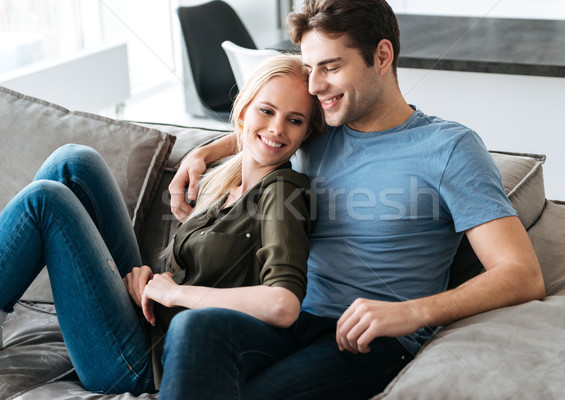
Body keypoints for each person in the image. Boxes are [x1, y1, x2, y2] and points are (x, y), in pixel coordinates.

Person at [164, 0, 546, 398]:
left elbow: (522, 274)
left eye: (330, 68)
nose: (314, 87)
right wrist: (204, 152)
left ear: (381, 56)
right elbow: (268, 126)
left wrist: (411, 311)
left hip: (371, 341)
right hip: (289, 321)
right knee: (193, 327)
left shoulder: (449, 148)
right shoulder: (321, 129)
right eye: (310, 70)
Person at [0, 54, 324, 395]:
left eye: (295, 120)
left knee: (46, 202)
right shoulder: (228, 181)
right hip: (144, 315)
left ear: (306, 133)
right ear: (243, 111)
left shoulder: (283, 191)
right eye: (267, 110)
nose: (277, 128)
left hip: (140, 361)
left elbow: (283, 303)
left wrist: (175, 293)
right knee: (75, 162)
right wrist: (150, 280)